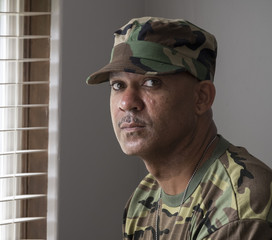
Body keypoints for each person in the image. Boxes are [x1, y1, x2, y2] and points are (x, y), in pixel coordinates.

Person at [86, 17, 272, 239]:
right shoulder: (144, 198)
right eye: (118, 85)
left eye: (151, 82)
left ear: (201, 98)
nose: (126, 103)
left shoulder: (239, 205)